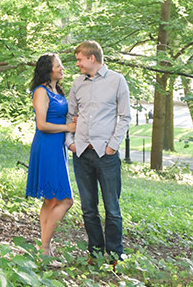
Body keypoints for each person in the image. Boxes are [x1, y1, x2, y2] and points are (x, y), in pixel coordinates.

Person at [66, 40, 130, 265]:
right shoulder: (77, 83)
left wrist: (113, 145)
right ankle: (94, 253)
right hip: (81, 154)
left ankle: (114, 255)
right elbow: (70, 114)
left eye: (80, 59)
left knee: (112, 208)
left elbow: (125, 117)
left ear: (92, 58)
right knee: (88, 208)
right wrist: (70, 142)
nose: (77, 64)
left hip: (106, 155)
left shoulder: (117, 81)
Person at [26, 53, 75, 258]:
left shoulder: (57, 90)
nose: (62, 68)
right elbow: (42, 125)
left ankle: (44, 247)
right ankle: (45, 246)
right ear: (48, 69)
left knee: (50, 201)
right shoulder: (41, 92)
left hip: (58, 147)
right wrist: (67, 127)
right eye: (58, 66)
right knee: (66, 200)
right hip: (46, 147)